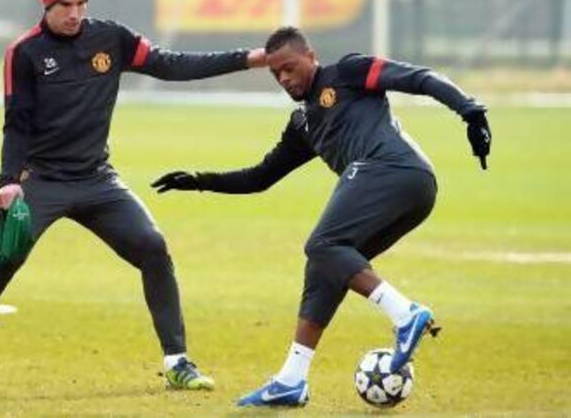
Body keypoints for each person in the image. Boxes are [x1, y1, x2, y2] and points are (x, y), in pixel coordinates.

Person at [0, 0, 267, 390]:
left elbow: (173, 65)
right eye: (64, 5)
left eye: (80, 3)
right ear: (46, 5)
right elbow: (17, 124)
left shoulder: (112, 39)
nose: (74, 13)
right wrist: (8, 182)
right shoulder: (25, 54)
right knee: (3, 257)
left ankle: (178, 362)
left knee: (153, 247)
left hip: (96, 179)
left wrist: (248, 58)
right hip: (44, 179)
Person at [151, 26, 491, 407]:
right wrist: (200, 181)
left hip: (394, 169)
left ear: (311, 56)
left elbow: (418, 78)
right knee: (325, 267)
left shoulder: (348, 72)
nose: (284, 78)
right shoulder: (304, 124)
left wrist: (468, 109)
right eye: (276, 74)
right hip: (408, 188)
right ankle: (291, 381)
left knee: (323, 244)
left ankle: (406, 314)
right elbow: (260, 178)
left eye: (290, 68)